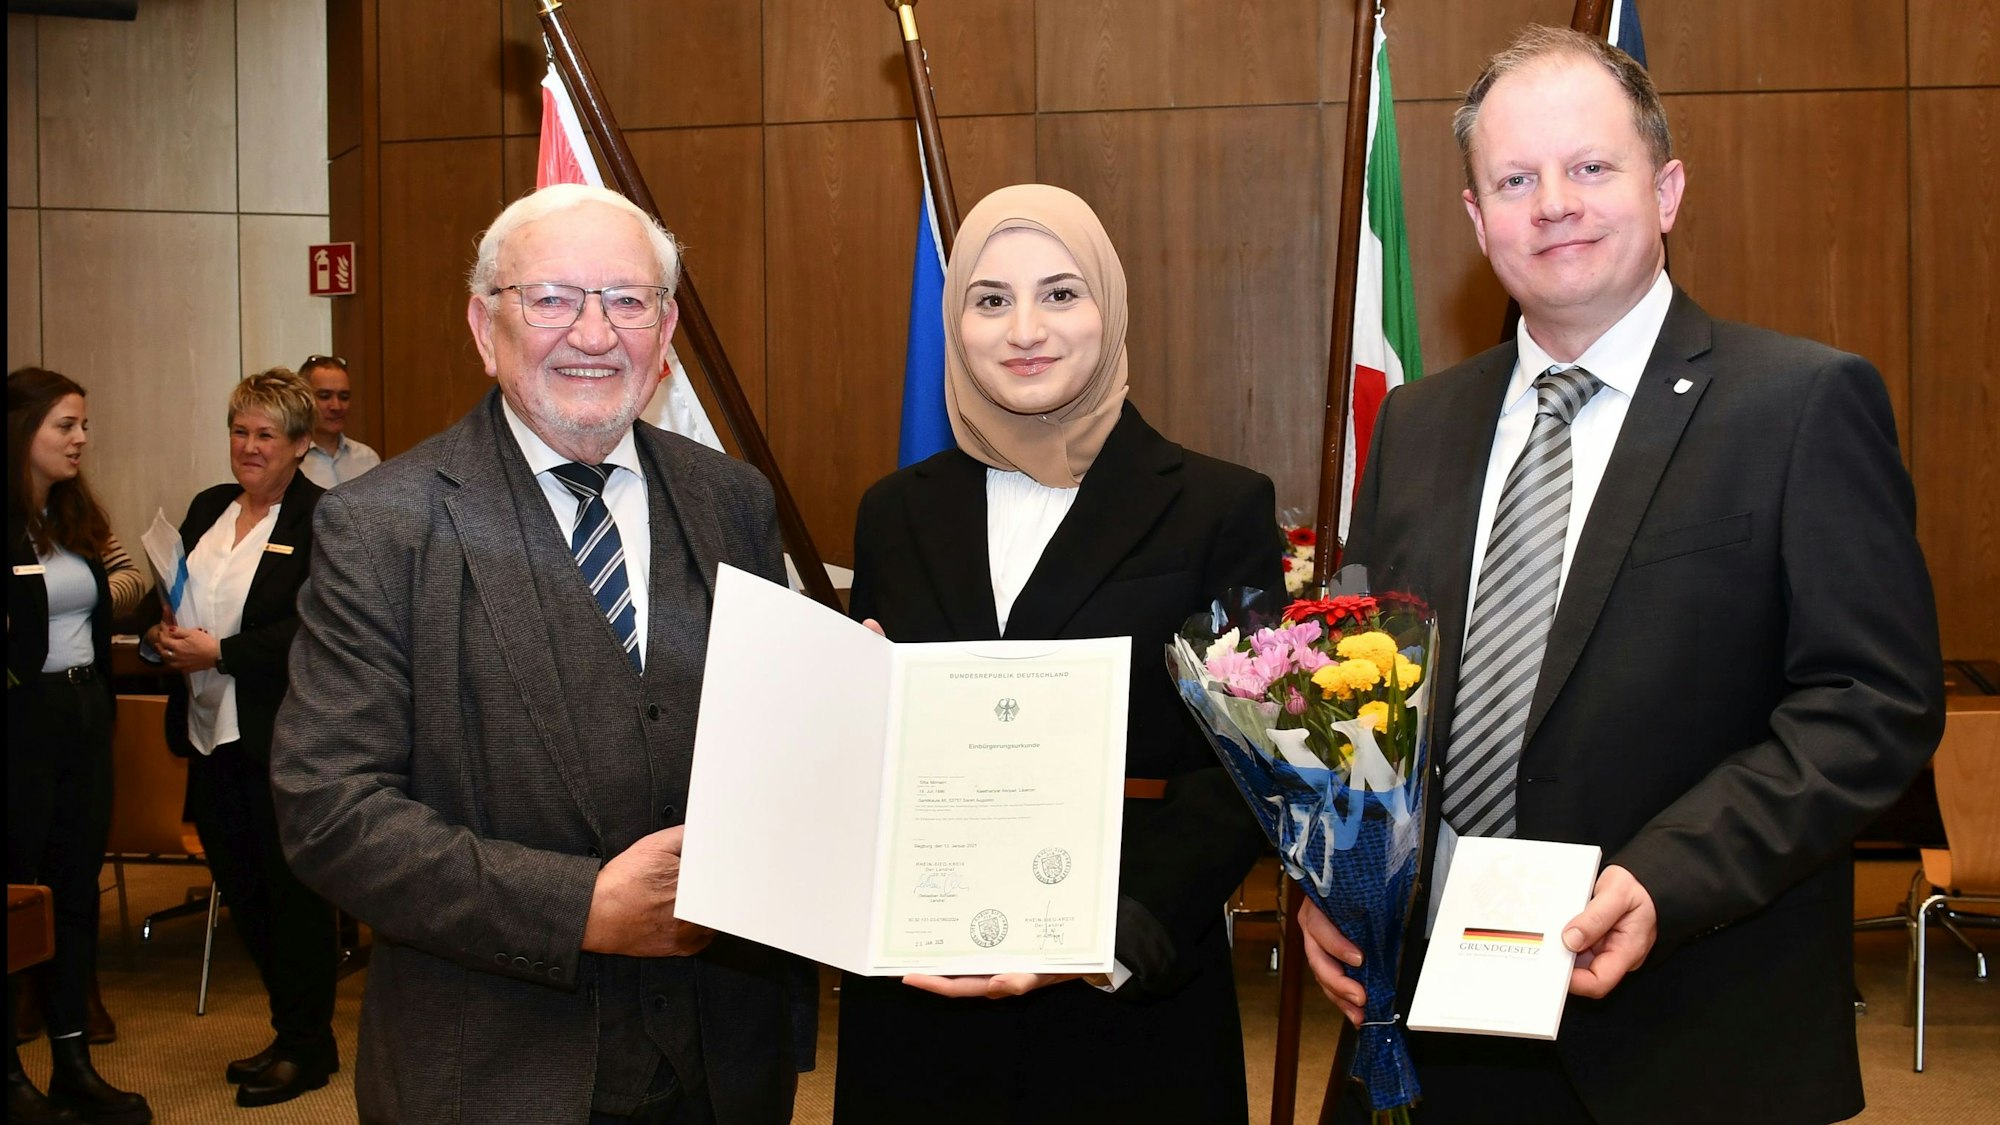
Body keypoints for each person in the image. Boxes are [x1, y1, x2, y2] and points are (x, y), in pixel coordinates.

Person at [1302, 26, 1944, 1125]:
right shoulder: (1415, 424)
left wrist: (1663, 880)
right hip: (1423, 1036)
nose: (1552, 203)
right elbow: (1364, 694)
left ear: (1666, 189)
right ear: (1473, 220)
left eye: (1590, 167)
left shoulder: (1798, 404)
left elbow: (1868, 704)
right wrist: (1333, 872)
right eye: (1514, 179)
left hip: (1687, 1035)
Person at [269, 183, 815, 1125]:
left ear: (667, 330)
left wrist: (848, 708)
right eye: (554, 298)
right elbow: (330, 811)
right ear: (487, 327)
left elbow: (766, 750)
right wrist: (577, 909)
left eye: (627, 300)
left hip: (727, 1065)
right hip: (492, 1074)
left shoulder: (733, 501)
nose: (595, 334)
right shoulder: (380, 527)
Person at [834, 184, 1283, 1125]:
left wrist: (1107, 938)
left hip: (1125, 1006)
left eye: (1061, 293)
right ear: (956, 320)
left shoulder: (1217, 507)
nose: (1024, 328)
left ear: (1111, 308)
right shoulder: (895, 512)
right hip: (923, 1006)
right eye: (990, 299)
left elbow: (1247, 762)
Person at [136, 368, 339, 1108]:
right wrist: (161, 636)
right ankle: (290, 1031)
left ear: (299, 444)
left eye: (265, 435)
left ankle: (309, 1045)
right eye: (239, 431)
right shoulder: (209, 507)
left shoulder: (323, 517)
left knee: (293, 895)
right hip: (206, 732)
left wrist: (219, 652)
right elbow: (178, 593)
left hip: (278, 734)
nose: (248, 447)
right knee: (245, 890)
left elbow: (315, 627)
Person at [6, 368, 152, 1125]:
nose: (81, 439)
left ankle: (71, 1061)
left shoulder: (72, 515)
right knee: (15, 896)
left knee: (73, 891)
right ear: (22, 429)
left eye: (83, 425)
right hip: (20, 721)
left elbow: (127, 583)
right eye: (66, 425)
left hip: (89, 712)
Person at [296, 355, 380, 488]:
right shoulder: (289, 460)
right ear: (303, 399)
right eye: (325, 396)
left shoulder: (367, 459)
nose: (336, 406)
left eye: (344, 397)